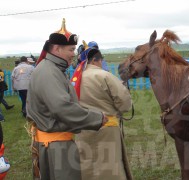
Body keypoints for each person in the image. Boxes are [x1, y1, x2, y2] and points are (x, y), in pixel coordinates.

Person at [26, 18, 109, 180]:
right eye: (71, 50)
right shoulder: (49, 72)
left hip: (53, 144)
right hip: (56, 147)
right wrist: (97, 118)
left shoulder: (51, 69)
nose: (74, 54)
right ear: (57, 49)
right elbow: (62, 108)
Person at [73, 48, 133, 179]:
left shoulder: (75, 79)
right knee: (110, 166)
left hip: (82, 130)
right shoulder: (105, 75)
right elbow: (124, 104)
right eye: (101, 60)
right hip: (106, 129)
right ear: (96, 60)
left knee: (87, 165)